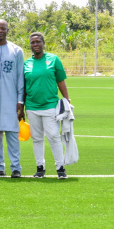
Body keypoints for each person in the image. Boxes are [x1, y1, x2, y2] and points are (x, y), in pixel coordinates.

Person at [22, 32, 70, 179]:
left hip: (50, 105)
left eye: (38, 42)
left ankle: (60, 168)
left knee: (54, 136)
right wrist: (21, 107)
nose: (35, 44)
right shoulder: (26, 64)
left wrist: (67, 100)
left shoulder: (53, 59)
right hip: (31, 107)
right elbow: (24, 87)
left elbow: (61, 81)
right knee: (37, 138)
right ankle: (40, 168)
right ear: (30, 45)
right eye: (32, 42)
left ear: (43, 43)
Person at [0, 19, 25, 178]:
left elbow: (20, 77)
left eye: (3, 28)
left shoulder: (16, 51)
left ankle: (16, 168)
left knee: (12, 133)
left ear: (8, 30)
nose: (0, 31)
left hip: (11, 98)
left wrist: (20, 100)